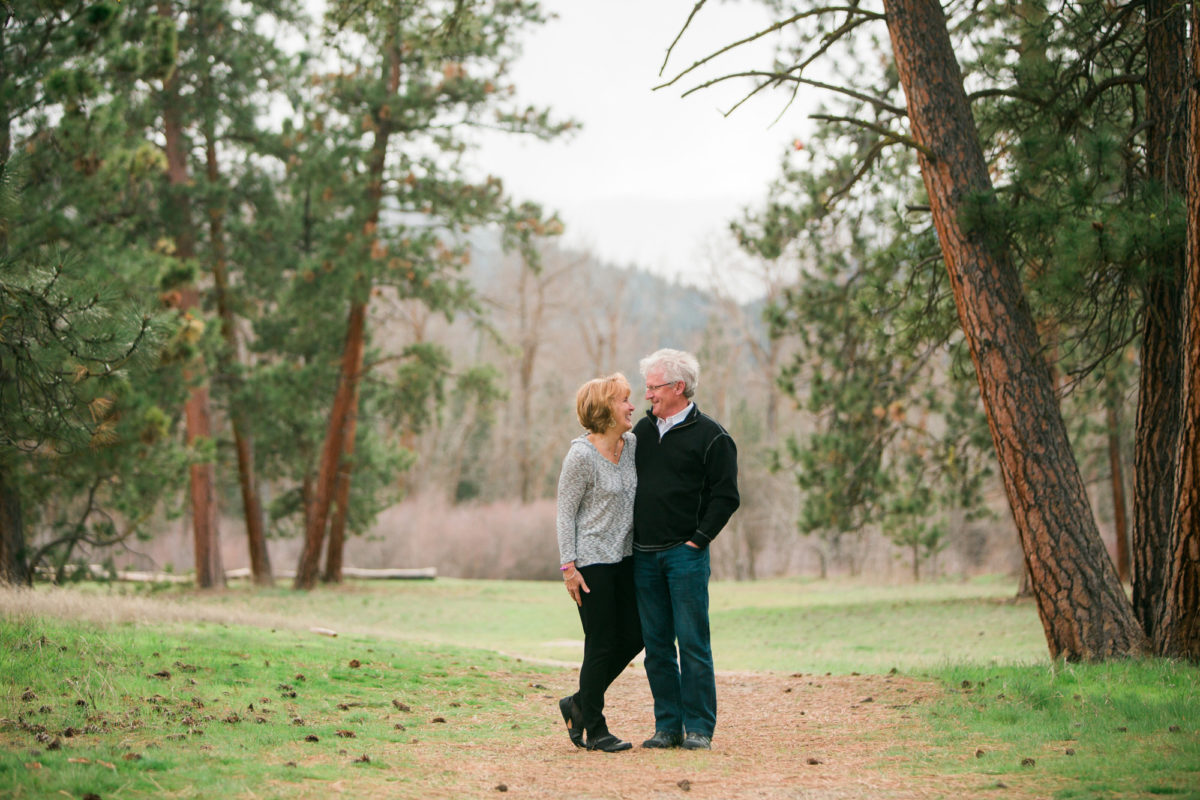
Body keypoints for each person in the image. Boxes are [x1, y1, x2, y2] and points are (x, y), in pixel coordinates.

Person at [632, 348, 739, 751]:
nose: (648, 396)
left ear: (678, 387)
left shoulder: (713, 437)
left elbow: (726, 497)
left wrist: (699, 540)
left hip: (685, 555)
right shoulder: (639, 434)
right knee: (657, 646)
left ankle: (698, 728)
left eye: (653, 387)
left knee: (692, 643)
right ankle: (668, 727)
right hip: (643, 556)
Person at [555, 373, 644, 753]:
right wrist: (568, 568)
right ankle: (595, 726)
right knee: (601, 644)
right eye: (624, 399)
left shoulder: (633, 444)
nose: (631, 406)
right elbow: (564, 513)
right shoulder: (581, 456)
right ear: (605, 408)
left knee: (638, 634)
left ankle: (577, 702)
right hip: (591, 564)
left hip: (626, 559)